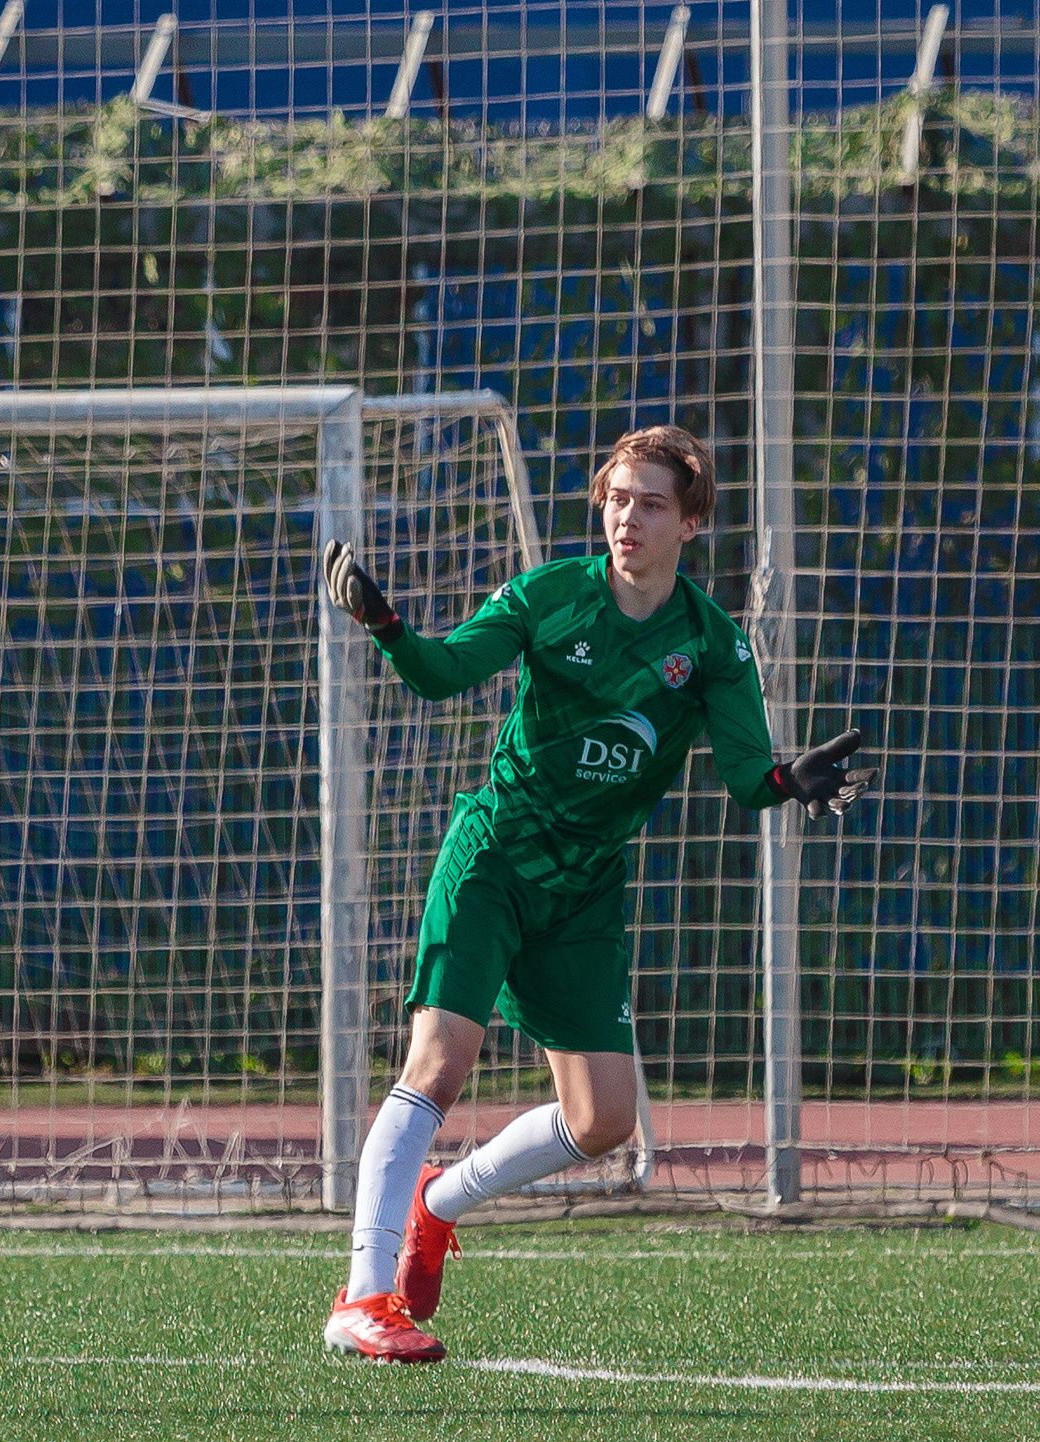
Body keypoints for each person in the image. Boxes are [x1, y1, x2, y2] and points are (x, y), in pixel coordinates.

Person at [320, 425, 876, 1363]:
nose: (627, 518)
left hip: (584, 891)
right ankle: (364, 1298)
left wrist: (790, 781)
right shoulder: (548, 596)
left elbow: (748, 778)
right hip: (495, 858)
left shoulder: (711, 644)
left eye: (651, 503)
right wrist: (387, 626)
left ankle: (436, 1204)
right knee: (439, 1065)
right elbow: (442, 675)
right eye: (617, 498)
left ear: (690, 524)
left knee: (603, 1121)